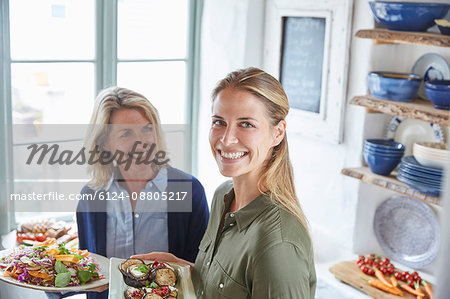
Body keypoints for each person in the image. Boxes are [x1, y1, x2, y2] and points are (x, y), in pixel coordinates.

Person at [133, 67, 316, 298]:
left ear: (277, 133)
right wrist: (181, 269)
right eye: (219, 122)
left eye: (246, 124)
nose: (227, 139)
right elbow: (222, 286)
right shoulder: (223, 196)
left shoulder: (277, 244)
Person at [64, 87, 209, 299]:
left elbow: (204, 273)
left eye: (147, 129)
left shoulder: (189, 190)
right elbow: (91, 272)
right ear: (105, 143)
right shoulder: (91, 196)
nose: (142, 142)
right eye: (126, 133)